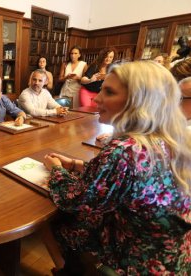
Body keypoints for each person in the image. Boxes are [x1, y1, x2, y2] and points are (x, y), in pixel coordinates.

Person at [43, 61, 191, 274]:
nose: (97, 98)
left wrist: (56, 169)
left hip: (142, 262)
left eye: (109, 92)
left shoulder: (125, 150)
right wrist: (77, 165)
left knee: (61, 223)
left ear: (140, 102)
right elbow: (130, 181)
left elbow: (74, 199)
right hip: (177, 255)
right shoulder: (170, 139)